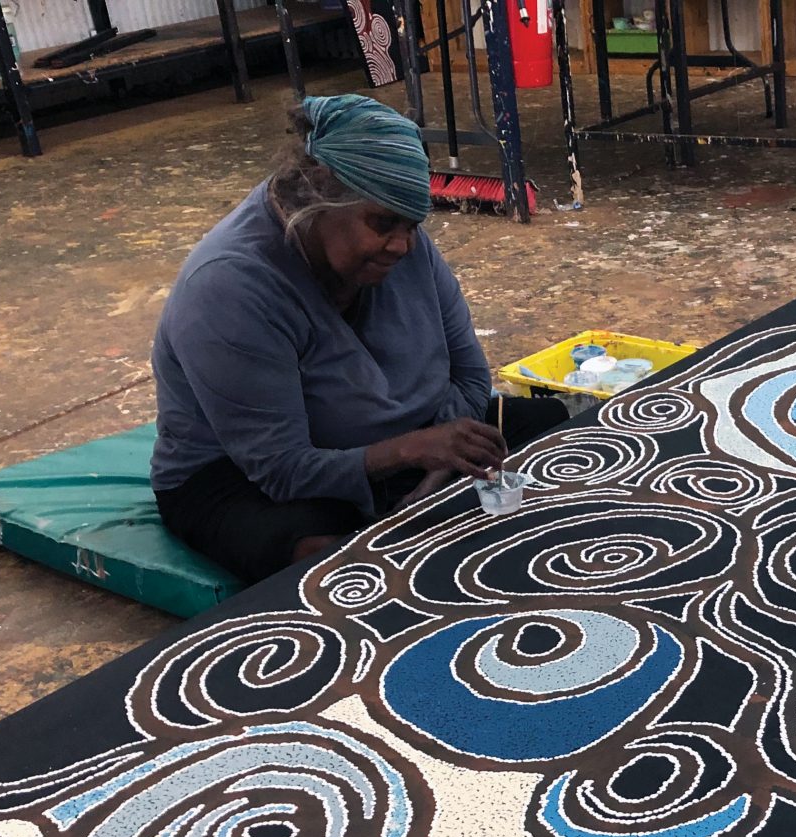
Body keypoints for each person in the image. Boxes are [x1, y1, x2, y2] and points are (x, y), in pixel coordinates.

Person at [150, 93, 566, 582]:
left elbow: (471, 376)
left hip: (401, 442)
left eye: (413, 226)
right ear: (317, 195)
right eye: (383, 223)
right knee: (333, 565)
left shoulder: (407, 245)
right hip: (250, 477)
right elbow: (282, 468)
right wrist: (411, 452)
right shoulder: (231, 286)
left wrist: (443, 458)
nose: (402, 245)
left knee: (556, 430)